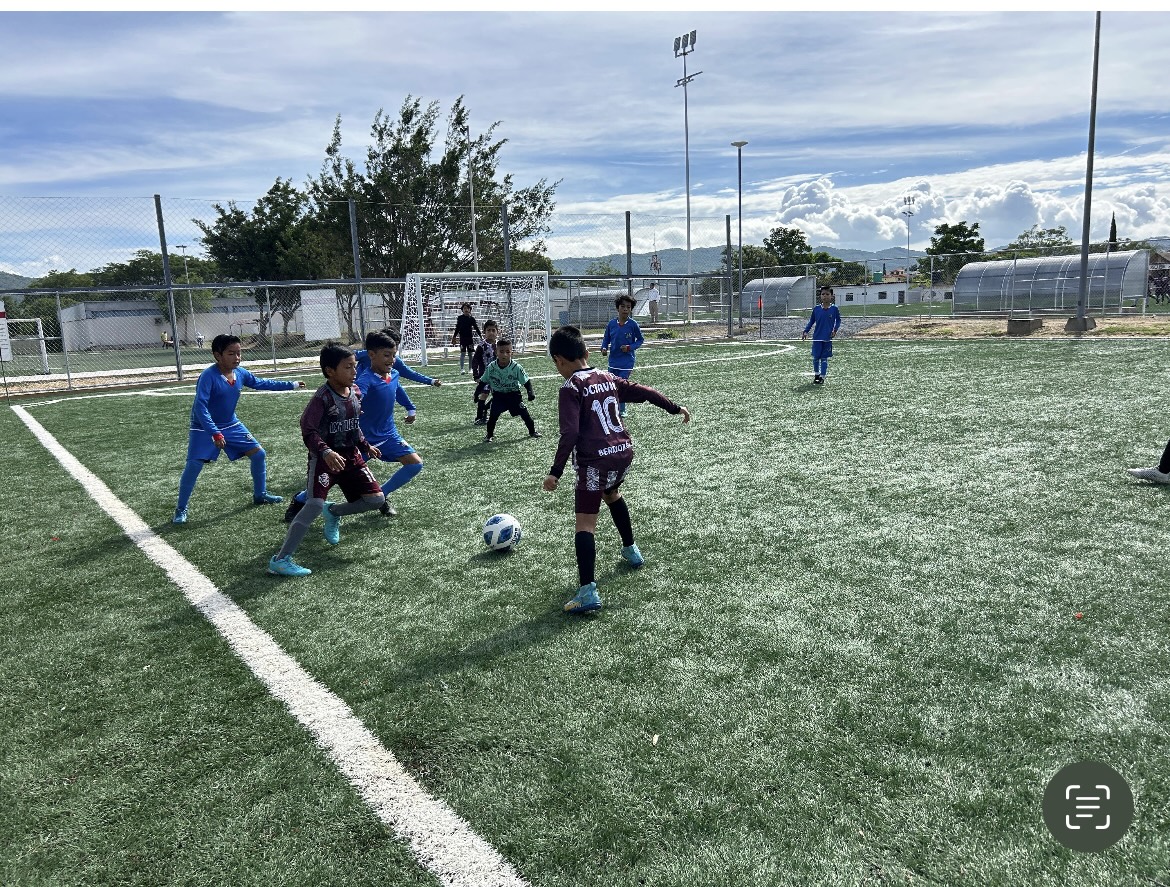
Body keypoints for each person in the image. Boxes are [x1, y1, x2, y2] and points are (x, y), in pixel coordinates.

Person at [543, 325, 689, 614]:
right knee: (612, 494)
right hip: (622, 453)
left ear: (559, 360)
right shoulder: (608, 377)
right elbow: (645, 392)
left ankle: (588, 591)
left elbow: (570, 433)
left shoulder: (571, 387)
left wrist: (555, 472)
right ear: (586, 352)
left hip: (595, 460)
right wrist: (675, 408)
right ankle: (631, 550)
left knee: (585, 524)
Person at [284, 328, 441, 521]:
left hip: (389, 435)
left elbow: (396, 390)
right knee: (332, 477)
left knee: (414, 464)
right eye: (387, 355)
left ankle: (382, 497)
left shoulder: (394, 374)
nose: (391, 359)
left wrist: (411, 408)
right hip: (362, 440)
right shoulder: (364, 379)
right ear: (372, 355)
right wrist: (356, 406)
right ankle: (300, 499)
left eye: (394, 355)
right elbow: (356, 395)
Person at [268, 344, 384, 577]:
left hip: (351, 457)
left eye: (355, 366)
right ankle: (280, 560)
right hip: (325, 460)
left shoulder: (355, 393)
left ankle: (335, 513)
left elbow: (353, 426)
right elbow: (308, 431)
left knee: (376, 500)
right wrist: (326, 452)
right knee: (313, 505)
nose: (354, 371)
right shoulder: (321, 399)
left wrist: (365, 446)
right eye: (348, 367)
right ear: (330, 371)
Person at [173, 333, 304, 524]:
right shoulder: (208, 376)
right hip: (203, 427)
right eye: (231, 353)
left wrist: (290, 385)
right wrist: (214, 433)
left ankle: (260, 495)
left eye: (239, 353)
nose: (237, 357)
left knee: (259, 454)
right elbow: (200, 407)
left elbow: (261, 383)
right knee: (194, 465)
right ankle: (180, 509)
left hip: (231, 424)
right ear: (217, 356)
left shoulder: (240, 373)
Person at [479, 338, 540, 442]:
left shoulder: (516, 367)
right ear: (496, 352)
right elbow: (483, 381)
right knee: (493, 416)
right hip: (499, 396)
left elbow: (526, 382)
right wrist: (477, 393)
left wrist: (530, 393)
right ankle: (489, 435)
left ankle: (532, 431)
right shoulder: (491, 367)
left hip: (514, 395)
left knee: (525, 413)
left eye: (508, 352)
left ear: (512, 352)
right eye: (501, 352)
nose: (505, 355)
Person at [599, 294, 645, 417]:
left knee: (622, 385)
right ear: (617, 308)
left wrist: (629, 347)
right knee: (612, 385)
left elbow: (640, 340)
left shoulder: (633, 324)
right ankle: (612, 408)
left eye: (628, 307)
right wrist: (603, 348)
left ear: (631, 309)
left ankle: (622, 409)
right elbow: (606, 338)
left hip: (626, 362)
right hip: (613, 361)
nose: (625, 309)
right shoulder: (611, 324)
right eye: (623, 306)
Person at [802, 286, 843, 385]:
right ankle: (816, 375)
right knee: (816, 357)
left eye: (827, 294)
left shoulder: (834, 309)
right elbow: (811, 321)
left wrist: (835, 330)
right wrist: (806, 331)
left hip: (827, 338)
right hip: (817, 337)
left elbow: (838, 320)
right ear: (820, 296)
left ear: (832, 296)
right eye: (823, 294)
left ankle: (822, 377)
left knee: (824, 358)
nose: (825, 296)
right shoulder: (816, 309)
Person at [471, 319, 499, 426]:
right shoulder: (482, 346)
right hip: (485, 376)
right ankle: (479, 416)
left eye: (493, 330)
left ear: (497, 332)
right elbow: (475, 361)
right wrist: (476, 375)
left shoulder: (499, 345)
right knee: (484, 395)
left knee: (499, 395)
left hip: (498, 376)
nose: (491, 333)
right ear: (484, 332)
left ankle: (485, 410)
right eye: (488, 330)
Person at [451, 302, 483, 375]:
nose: (466, 310)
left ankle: (470, 368)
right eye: (464, 308)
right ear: (462, 310)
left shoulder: (471, 319)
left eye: (467, 308)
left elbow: (476, 328)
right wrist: (454, 336)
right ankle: (462, 369)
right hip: (462, 339)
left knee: (470, 354)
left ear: (470, 310)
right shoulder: (460, 318)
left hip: (470, 339)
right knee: (462, 353)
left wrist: (481, 335)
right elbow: (457, 328)